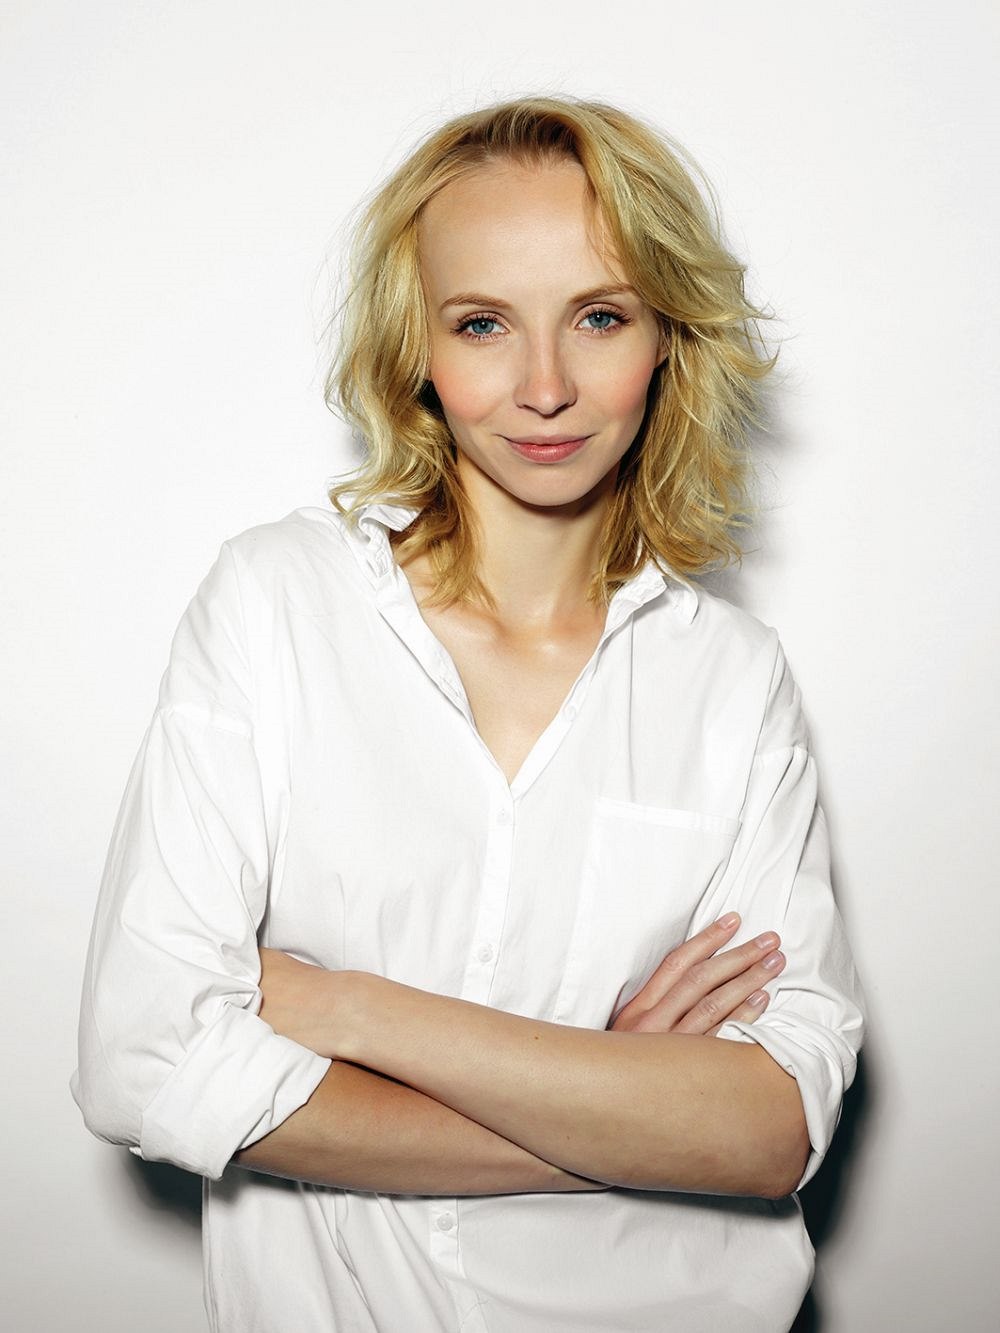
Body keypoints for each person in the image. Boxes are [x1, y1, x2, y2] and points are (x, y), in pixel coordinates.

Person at [72, 95, 865, 1332]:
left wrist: (352, 1008)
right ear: (419, 349)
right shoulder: (278, 603)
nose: (544, 386)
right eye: (483, 323)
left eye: (598, 317)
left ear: (667, 337)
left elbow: (768, 1131)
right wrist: (624, 1103)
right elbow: (146, 1064)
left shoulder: (730, 676)